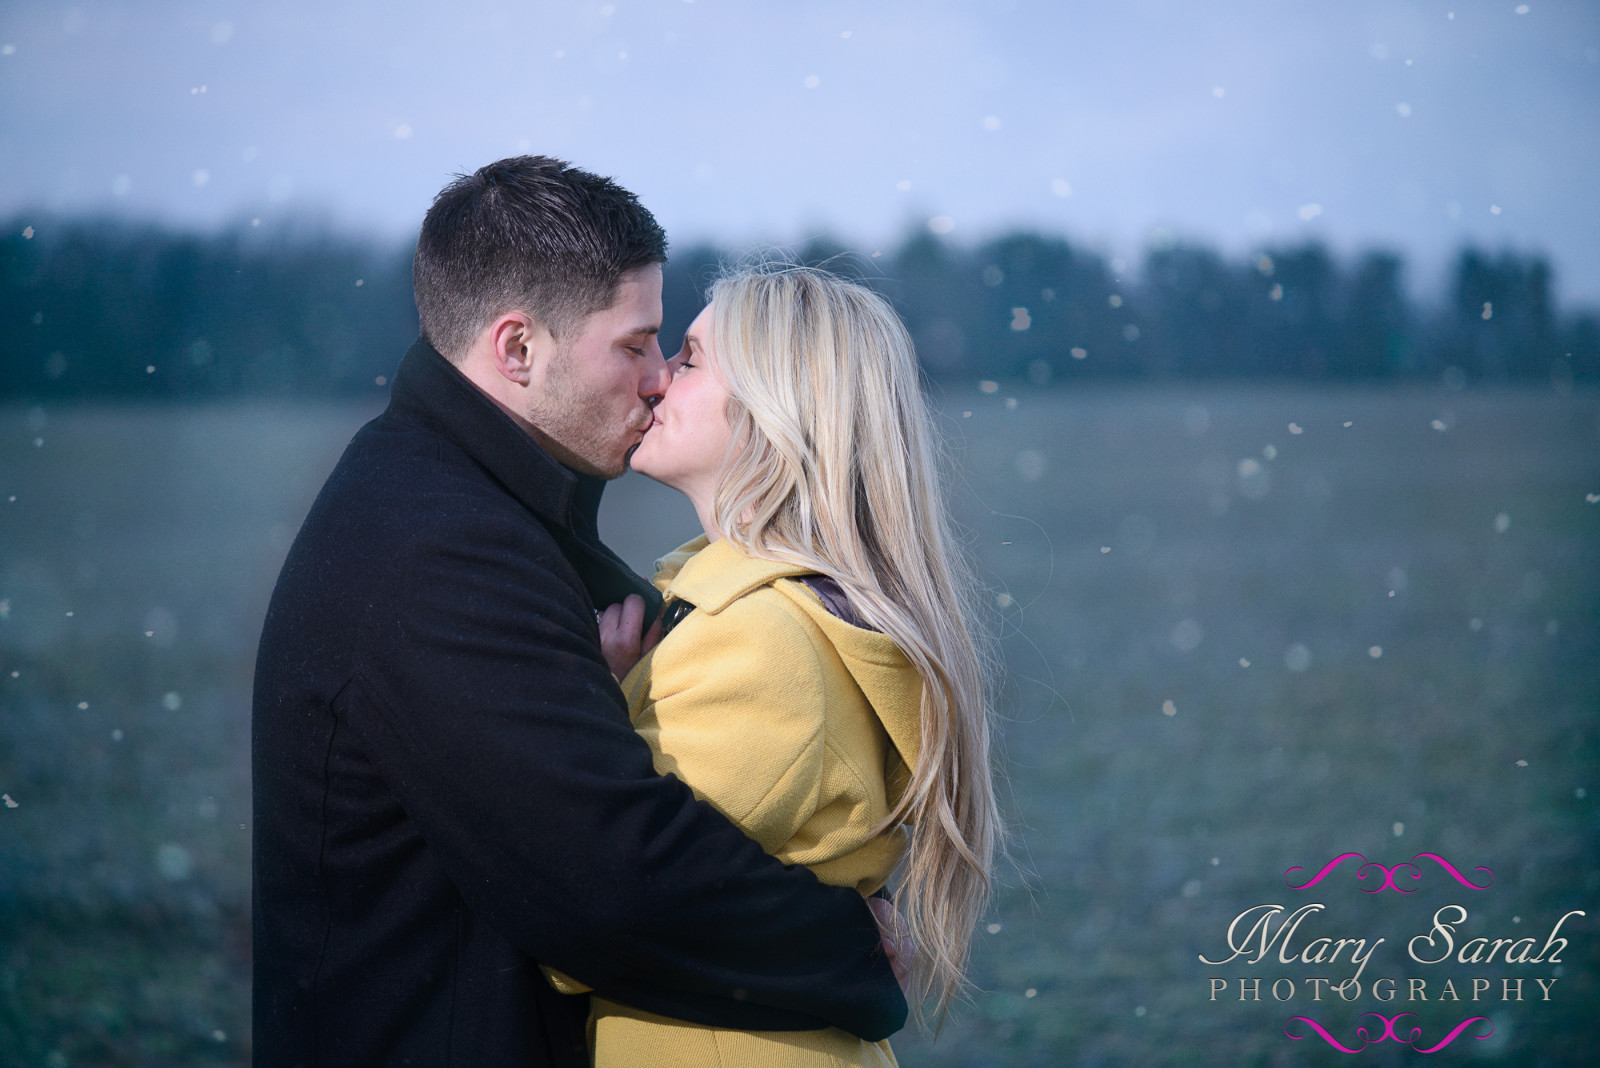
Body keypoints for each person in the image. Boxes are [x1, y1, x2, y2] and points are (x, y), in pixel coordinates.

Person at [251, 158, 906, 1067]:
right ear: (517, 350)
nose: (655, 378)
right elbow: (608, 882)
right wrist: (851, 948)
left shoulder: (477, 505)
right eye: (633, 345)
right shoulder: (443, 546)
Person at [553, 264, 1002, 1066]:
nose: (656, 378)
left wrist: (590, 698)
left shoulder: (758, 643)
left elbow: (587, 902)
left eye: (688, 359)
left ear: (773, 413)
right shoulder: (742, 610)